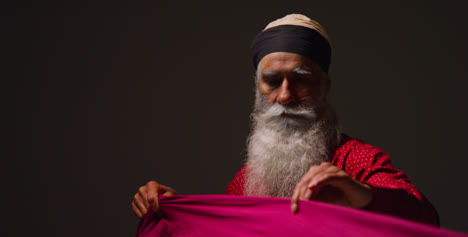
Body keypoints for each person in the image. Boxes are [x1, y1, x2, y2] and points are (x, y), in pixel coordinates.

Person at [131, 14, 439, 225]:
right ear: (258, 89)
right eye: (272, 81)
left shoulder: (356, 158)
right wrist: (175, 211)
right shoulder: (243, 183)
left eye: (301, 79)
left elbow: (424, 218)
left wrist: (362, 197)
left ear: (325, 87)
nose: (285, 96)